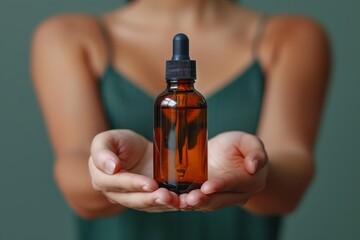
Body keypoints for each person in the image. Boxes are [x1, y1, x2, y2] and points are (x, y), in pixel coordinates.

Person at [31, 0, 330, 239]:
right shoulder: (68, 36)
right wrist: (108, 169)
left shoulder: (292, 36)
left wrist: (253, 167)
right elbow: (74, 171)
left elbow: (289, 182)